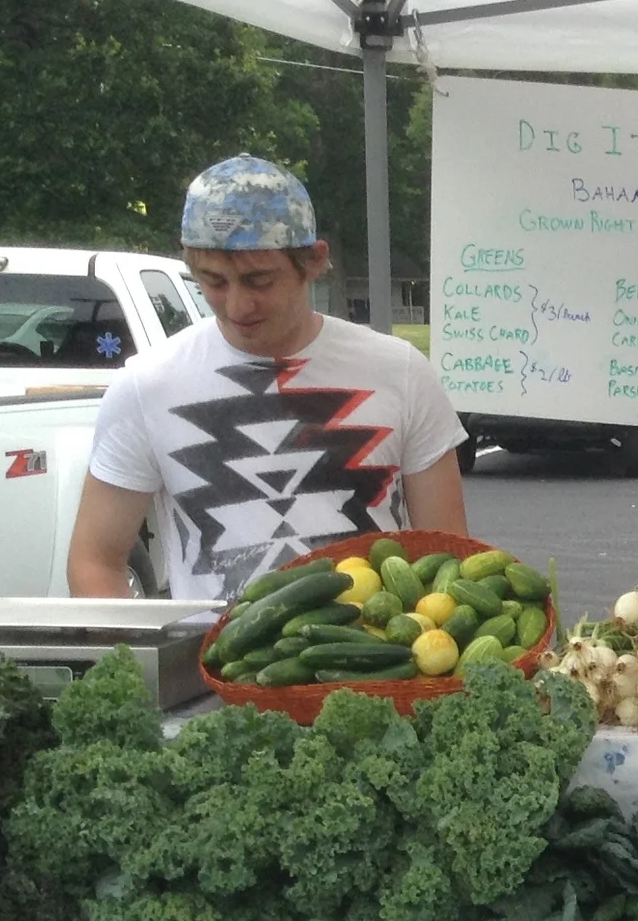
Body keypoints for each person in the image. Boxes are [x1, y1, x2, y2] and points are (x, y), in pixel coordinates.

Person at [67, 154, 468, 600]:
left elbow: (449, 556)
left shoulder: (401, 372)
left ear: (314, 261)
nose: (237, 306)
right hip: (209, 648)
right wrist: (131, 646)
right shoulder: (147, 386)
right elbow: (94, 562)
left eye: (259, 281)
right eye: (213, 281)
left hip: (374, 644)